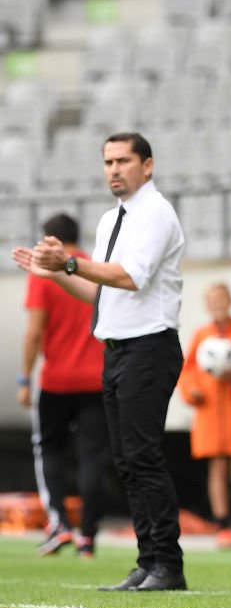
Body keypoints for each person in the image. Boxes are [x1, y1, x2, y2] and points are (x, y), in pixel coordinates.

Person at [14, 132, 187, 592]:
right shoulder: (113, 219)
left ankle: (167, 564)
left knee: (143, 457)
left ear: (147, 166)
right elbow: (99, 290)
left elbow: (130, 277)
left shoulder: (155, 213)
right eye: (108, 161)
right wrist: (54, 271)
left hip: (148, 347)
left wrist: (68, 262)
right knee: (126, 461)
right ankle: (148, 560)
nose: (114, 169)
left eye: (123, 160)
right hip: (116, 349)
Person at [19, 213, 109, 558]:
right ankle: (88, 535)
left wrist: (24, 378)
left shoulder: (45, 270)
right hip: (96, 378)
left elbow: (34, 330)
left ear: (49, 238)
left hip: (56, 379)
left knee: (50, 451)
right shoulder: (93, 266)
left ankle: (59, 525)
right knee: (93, 457)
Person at [177, 283, 231, 549]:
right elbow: (188, 372)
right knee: (217, 467)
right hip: (210, 412)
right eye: (212, 299)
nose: (217, 304)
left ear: (230, 301)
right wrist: (193, 391)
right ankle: (223, 524)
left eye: (221, 298)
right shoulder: (201, 335)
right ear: (207, 304)